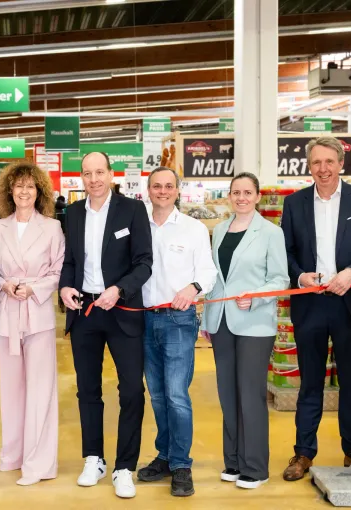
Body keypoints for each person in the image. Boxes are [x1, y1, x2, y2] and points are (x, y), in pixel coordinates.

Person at [280, 136, 351, 481]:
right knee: (310, 383)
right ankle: (303, 453)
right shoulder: (294, 203)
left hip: (349, 303)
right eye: (316, 162)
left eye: (329, 162)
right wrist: (299, 275)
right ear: (309, 166)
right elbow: (286, 251)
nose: (322, 169)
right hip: (310, 303)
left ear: (341, 163)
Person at [58, 152, 152, 499]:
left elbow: (144, 263)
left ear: (111, 174)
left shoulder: (133, 210)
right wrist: (65, 287)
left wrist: (119, 289)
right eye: (87, 173)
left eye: (99, 172)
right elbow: (70, 261)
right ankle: (93, 458)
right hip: (85, 311)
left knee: (132, 390)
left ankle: (124, 467)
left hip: (122, 309)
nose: (94, 179)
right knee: (87, 389)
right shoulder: (73, 213)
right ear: (81, 177)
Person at [201, 172, 290, 490]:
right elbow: (215, 279)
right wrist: (206, 320)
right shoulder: (220, 230)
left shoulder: (271, 232)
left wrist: (255, 297)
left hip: (254, 323)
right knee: (228, 393)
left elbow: (280, 279)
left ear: (257, 196)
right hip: (222, 321)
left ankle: (255, 466)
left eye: (247, 192)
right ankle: (234, 461)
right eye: (236, 192)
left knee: (250, 394)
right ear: (229, 196)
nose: (241, 198)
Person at [136, 167, 217, 497]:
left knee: (176, 394)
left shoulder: (193, 228)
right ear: (148, 190)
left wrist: (193, 287)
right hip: (143, 319)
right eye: (157, 186)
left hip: (178, 321)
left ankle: (182, 464)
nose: (163, 191)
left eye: (169, 186)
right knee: (156, 394)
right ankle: (165, 456)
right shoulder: (138, 226)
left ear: (177, 190)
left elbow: (208, 272)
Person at [0, 163, 64, 486]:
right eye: (18, 186)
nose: (24, 191)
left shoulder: (52, 228)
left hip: (38, 313)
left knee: (41, 388)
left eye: (30, 186)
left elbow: (58, 270)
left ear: (40, 191)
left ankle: (39, 463)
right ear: (9, 191)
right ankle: (13, 454)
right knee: (11, 387)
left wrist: (34, 288)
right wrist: (4, 284)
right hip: (7, 313)